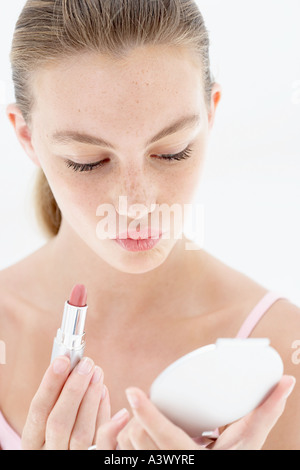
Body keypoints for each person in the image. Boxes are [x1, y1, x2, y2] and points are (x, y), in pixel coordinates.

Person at [0, 0, 299, 450]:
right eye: (88, 162)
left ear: (211, 112)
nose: (136, 205)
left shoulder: (282, 353)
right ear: (27, 136)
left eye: (172, 151)